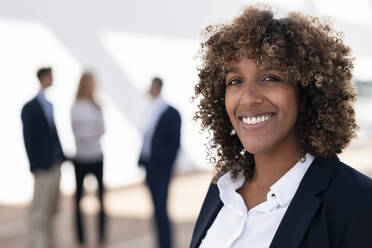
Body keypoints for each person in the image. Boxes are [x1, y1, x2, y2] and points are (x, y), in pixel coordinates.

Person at [190, 6, 372, 248]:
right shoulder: (222, 187)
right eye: (235, 81)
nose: (247, 98)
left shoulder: (358, 203)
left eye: (270, 78)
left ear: (306, 90)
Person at [21, 67, 65, 248]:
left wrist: (60, 157)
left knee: (52, 210)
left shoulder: (49, 104)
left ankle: (51, 243)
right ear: (44, 77)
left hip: (54, 165)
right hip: (43, 168)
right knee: (38, 211)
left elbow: (53, 134)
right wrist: (36, 165)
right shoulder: (30, 108)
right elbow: (29, 139)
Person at [138, 77, 182, 248]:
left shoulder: (171, 112)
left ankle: (166, 244)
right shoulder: (150, 110)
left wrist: (166, 166)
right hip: (150, 167)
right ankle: (161, 243)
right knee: (156, 209)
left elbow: (174, 144)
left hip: (161, 169)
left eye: (151, 86)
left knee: (162, 209)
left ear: (157, 87)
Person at [71, 72, 106, 247]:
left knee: (101, 198)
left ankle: (101, 236)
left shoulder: (97, 106)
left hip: (96, 156)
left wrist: (88, 131)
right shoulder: (76, 106)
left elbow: (101, 129)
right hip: (81, 158)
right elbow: (78, 133)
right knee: (78, 201)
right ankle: (81, 238)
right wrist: (90, 130)